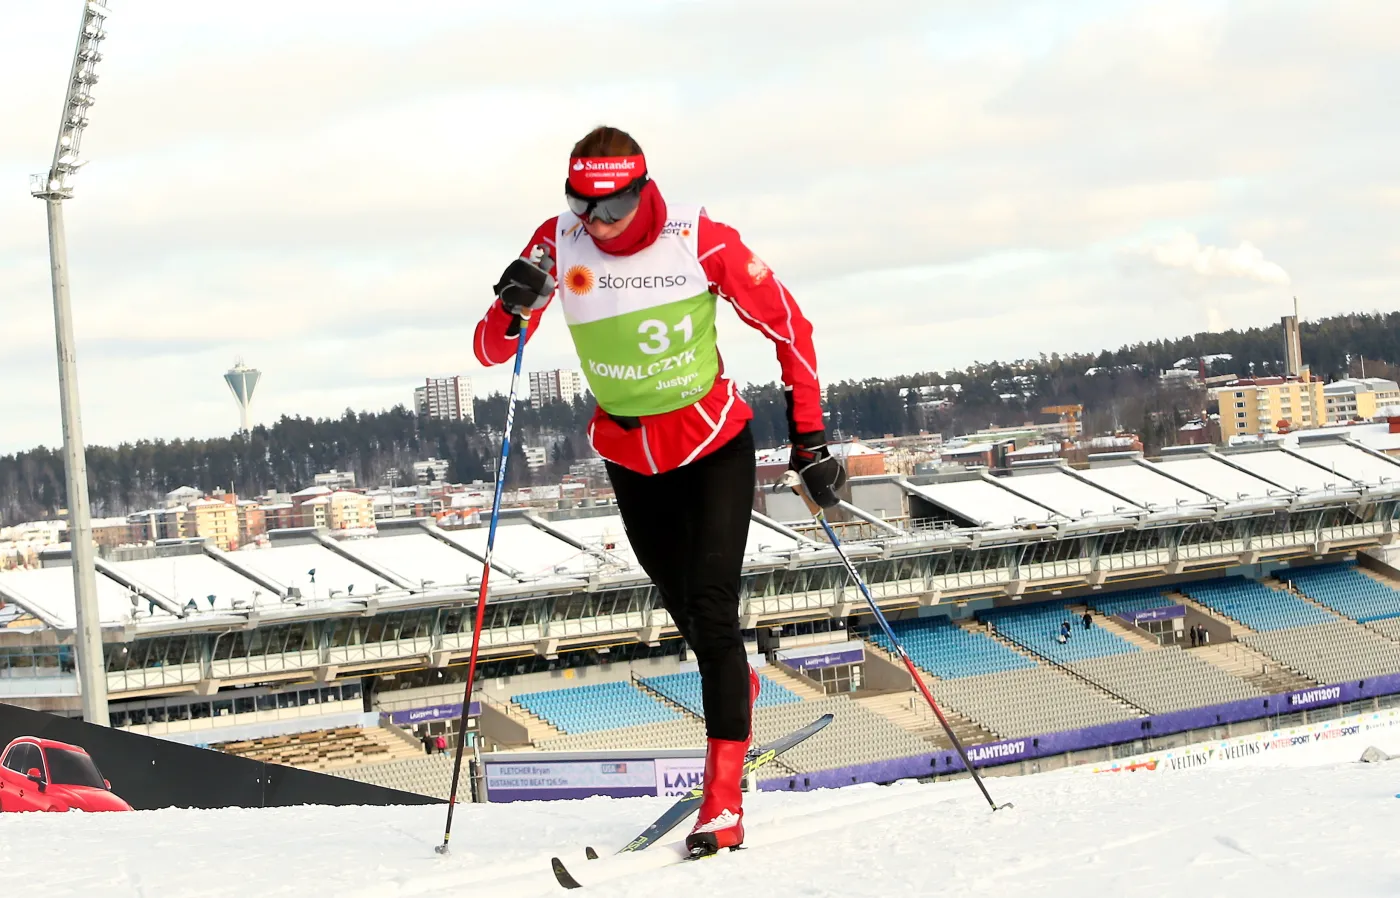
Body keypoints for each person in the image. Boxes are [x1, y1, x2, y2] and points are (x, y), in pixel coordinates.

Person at [472, 125, 845, 854]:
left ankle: (721, 803)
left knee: (712, 607)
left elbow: (790, 326)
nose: (596, 225)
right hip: (630, 456)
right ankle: (736, 678)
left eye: (610, 209)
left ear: (642, 191)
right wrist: (509, 306)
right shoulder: (557, 241)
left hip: (711, 445)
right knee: (691, 617)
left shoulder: (699, 239)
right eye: (583, 208)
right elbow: (491, 351)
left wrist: (811, 439)